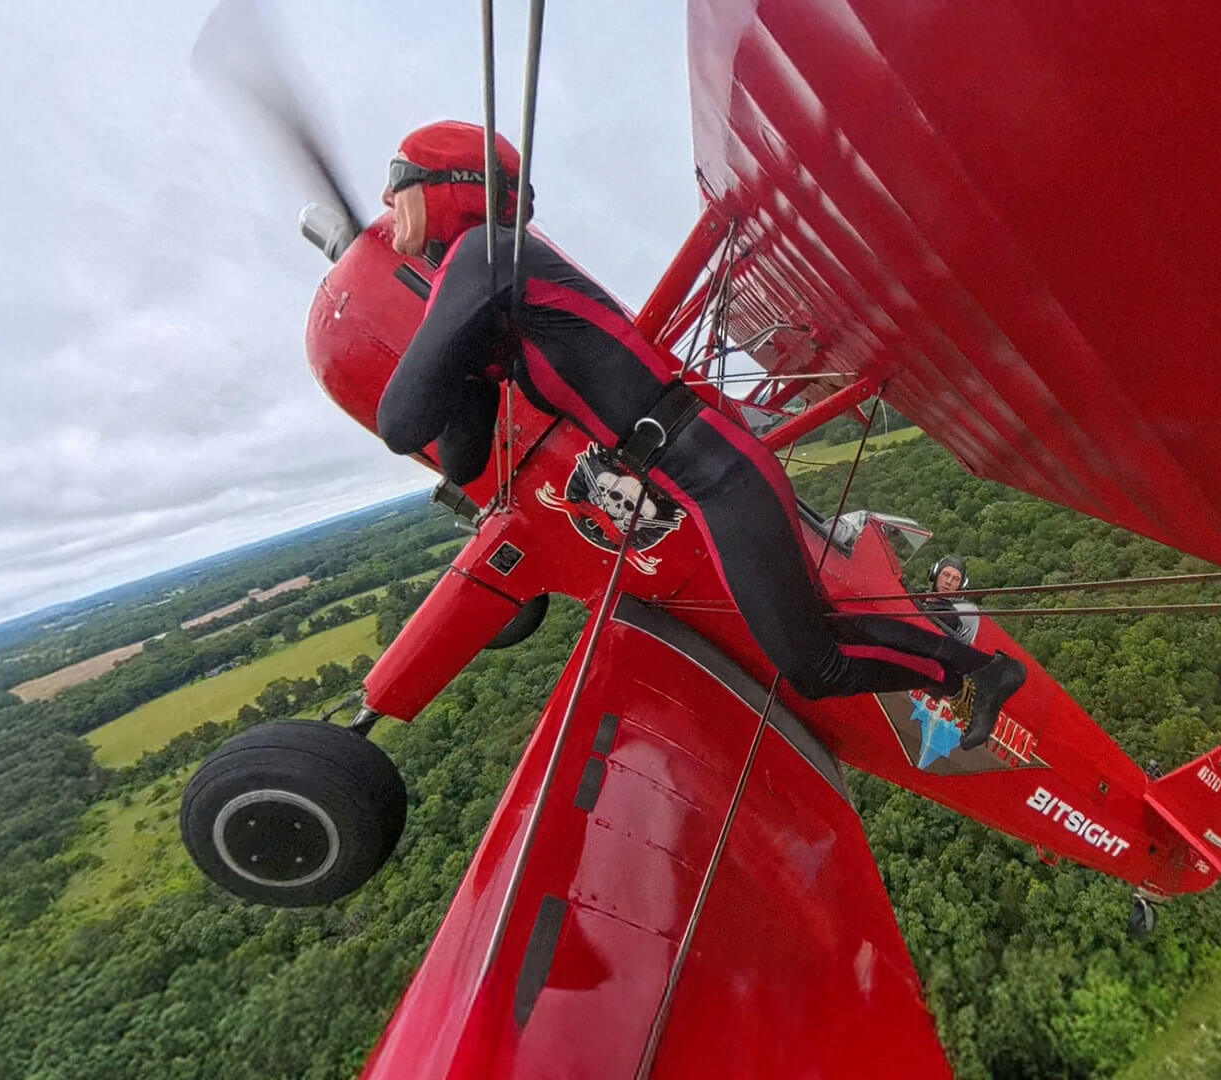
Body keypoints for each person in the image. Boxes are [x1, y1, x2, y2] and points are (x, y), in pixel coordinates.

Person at [367, 121, 1029, 742]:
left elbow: (401, 424)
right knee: (815, 654)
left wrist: (455, 355)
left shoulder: (485, 253)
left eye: (398, 177)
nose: (386, 197)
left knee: (812, 666)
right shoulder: (496, 289)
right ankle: (970, 675)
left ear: (451, 189)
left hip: (720, 471)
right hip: (704, 479)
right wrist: (473, 366)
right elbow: (463, 456)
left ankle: (972, 674)